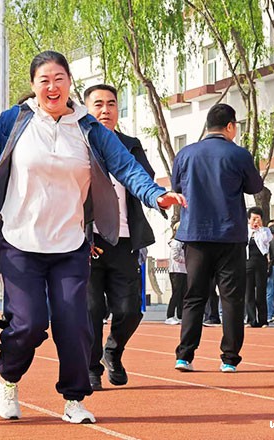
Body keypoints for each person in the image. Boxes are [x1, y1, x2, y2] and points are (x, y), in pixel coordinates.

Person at [0, 51, 186, 423]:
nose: (52, 87)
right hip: (20, 240)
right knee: (29, 323)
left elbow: (125, 166)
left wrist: (155, 194)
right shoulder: (16, 120)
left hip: (70, 243)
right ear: (33, 86)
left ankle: (74, 399)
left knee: (75, 323)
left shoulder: (88, 127)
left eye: (59, 79)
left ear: (69, 83)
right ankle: (8, 381)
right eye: (44, 80)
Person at [172, 103, 263, 374]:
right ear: (230, 126)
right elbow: (255, 186)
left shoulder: (186, 154)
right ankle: (229, 358)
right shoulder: (239, 154)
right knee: (231, 298)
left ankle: (184, 356)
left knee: (194, 296)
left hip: (195, 234)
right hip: (229, 235)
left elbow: (177, 187)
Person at [82, 84, 158, 391]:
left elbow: (145, 179)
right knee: (90, 310)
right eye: (98, 104)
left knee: (129, 310)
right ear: (86, 110)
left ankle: (113, 351)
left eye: (111, 104)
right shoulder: (78, 144)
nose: (105, 110)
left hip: (125, 240)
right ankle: (90, 368)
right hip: (87, 241)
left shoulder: (130, 145)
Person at [245, 207, 273, 328]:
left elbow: (266, 240)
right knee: (248, 292)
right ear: (248, 219)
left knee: (261, 291)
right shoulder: (245, 230)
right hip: (247, 263)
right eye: (253, 219)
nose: (255, 221)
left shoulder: (265, 230)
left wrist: (260, 228)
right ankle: (251, 320)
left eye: (258, 218)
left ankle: (263, 320)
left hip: (261, 263)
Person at [166, 222, 186, 326]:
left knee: (182, 293)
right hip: (176, 271)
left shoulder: (182, 241)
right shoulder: (176, 242)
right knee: (176, 293)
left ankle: (180, 315)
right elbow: (175, 256)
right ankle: (169, 316)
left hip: (183, 270)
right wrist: (187, 260)